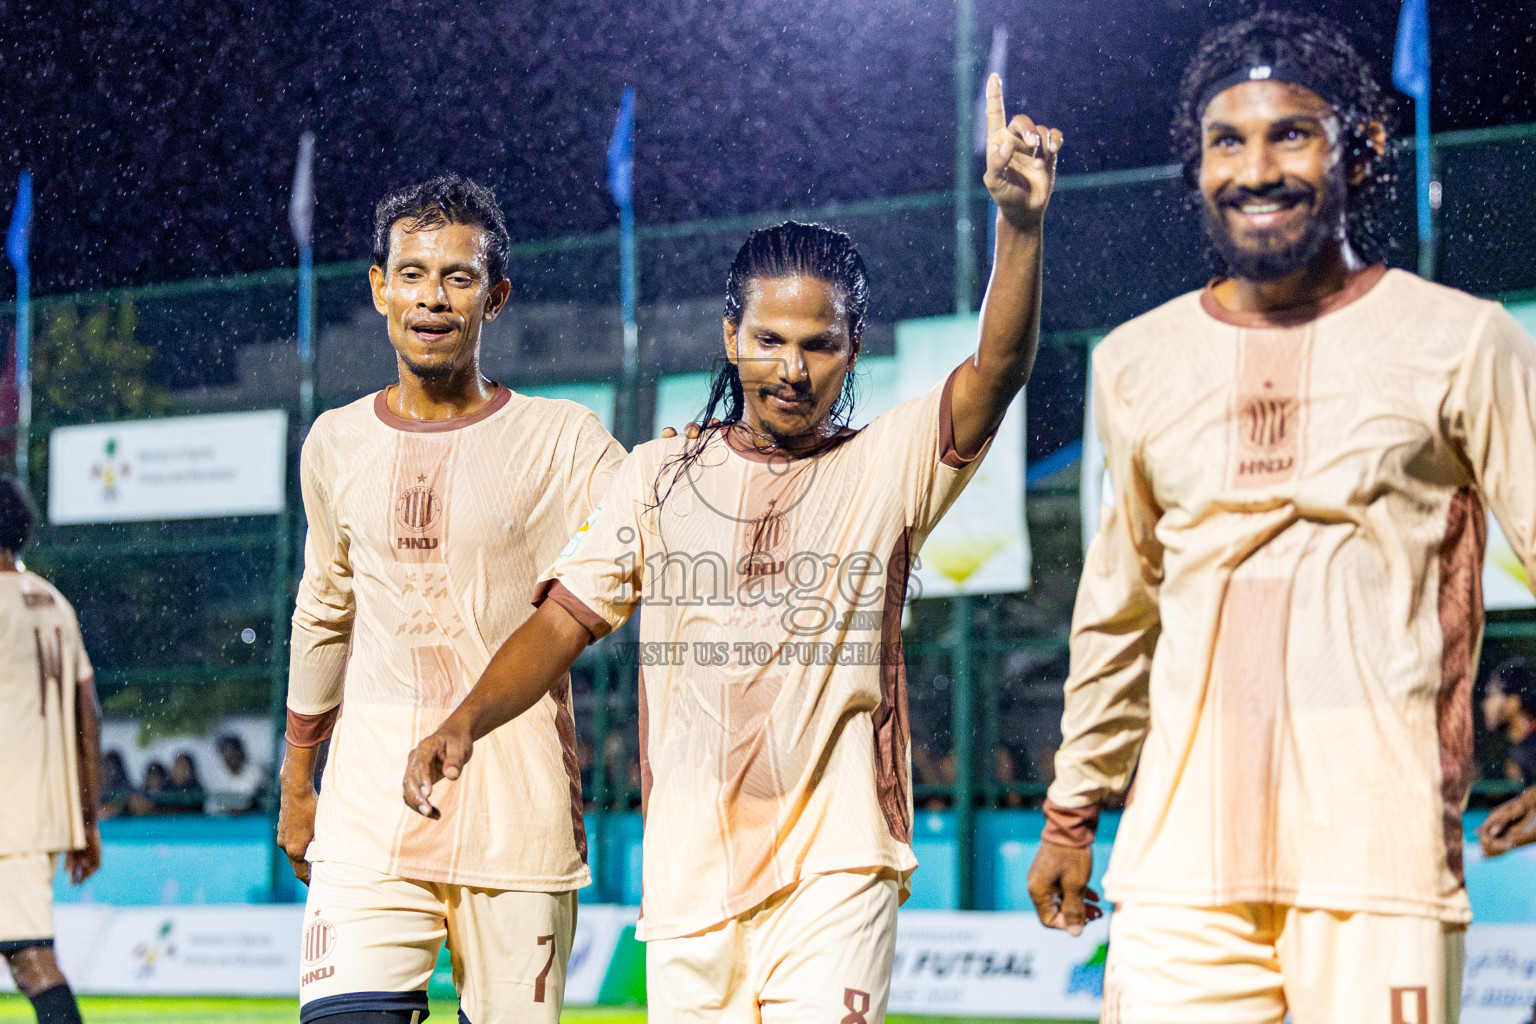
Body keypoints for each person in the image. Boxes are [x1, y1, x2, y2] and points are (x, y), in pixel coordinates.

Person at [403, 77, 1057, 1022]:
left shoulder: (889, 465)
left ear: (854, 347)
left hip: (840, 864)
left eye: (820, 345)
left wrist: (1021, 227)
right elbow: (560, 624)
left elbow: (997, 369)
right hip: (689, 880)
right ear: (730, 337)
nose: (792, 368)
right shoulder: (657, 476)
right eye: (768, 340)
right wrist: (465, 720)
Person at [1025, 12, 1536, 1024]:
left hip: (1378, 857)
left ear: (1362, 146)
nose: (1256, 168)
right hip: (1179, 864)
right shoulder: (1135, 360)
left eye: (1291, 133)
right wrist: (1072, 807)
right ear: (1197, 168)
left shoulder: (1463, 339)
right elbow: (1118, 607)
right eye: (1227, 141)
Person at [277, 174, 624, 1024]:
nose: (432, 297)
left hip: (518, 810)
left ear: (494, 298)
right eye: (414, 273)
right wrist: (297, 781)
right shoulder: (335, 442)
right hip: (366, 810)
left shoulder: (564, 440)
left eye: (459, 278)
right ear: (379, 287)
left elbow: (662, 541)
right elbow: (324, 610)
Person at [0, 476, 102, 1024]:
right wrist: (85, 820)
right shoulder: (54, 602)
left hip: (7, 815)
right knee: (27, 958)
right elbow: (90, 716)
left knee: (34, 962)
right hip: (36, 813)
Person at [1481, 658, 1536, 784]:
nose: (1485, 705)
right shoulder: (1520, 749)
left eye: (1491, 695)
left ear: (1513, 702)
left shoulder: (1525, 755)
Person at [206, 733, 265, 816]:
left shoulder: (255, 773)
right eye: (225, 753)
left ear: (240, 752)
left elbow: (255, 802)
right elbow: (212, 807)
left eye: (232, 751)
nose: (230, 756)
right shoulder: (217, 778)